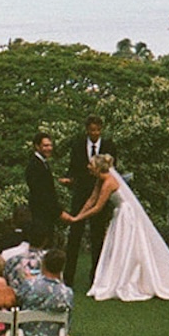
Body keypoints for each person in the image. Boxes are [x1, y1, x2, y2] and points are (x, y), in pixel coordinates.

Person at [62, 154, 169, 301]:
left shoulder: (108, 182)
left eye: (91, 165)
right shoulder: (100, 180)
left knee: (126, 247)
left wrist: (77, 219)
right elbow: (91, 200)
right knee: (118, 247)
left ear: (98, 168)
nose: (88, 167)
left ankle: (127, 280)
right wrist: (76, 217)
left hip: (126, 214)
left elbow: (97, 208)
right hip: (119, 213)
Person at [63, 116, 117, 289]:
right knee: (74, 237)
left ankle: (96, 276)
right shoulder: (78, 145)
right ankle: (68, 277)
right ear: (87, 129)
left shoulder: (110, 146)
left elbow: (112, 172)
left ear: (101, 129)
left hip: (103, 193)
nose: (95, 133)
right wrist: (70, 180)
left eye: (97, 130)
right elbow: (73, 169)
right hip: (81, 195)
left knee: (97, 237)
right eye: (92, 130)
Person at [16, 247, 75, 336]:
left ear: (43, 265)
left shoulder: (30, 286)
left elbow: (18, 302)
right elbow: (68, 321)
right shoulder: (67, 293)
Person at [26, 134, 60, 242]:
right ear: (37, 146)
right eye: (45, 146)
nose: (49, 148)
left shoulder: (43, 163)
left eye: (50, 145)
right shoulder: (34, 166)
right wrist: (57, 210)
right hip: (40, 214)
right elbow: (41, 193)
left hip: (47, 214)